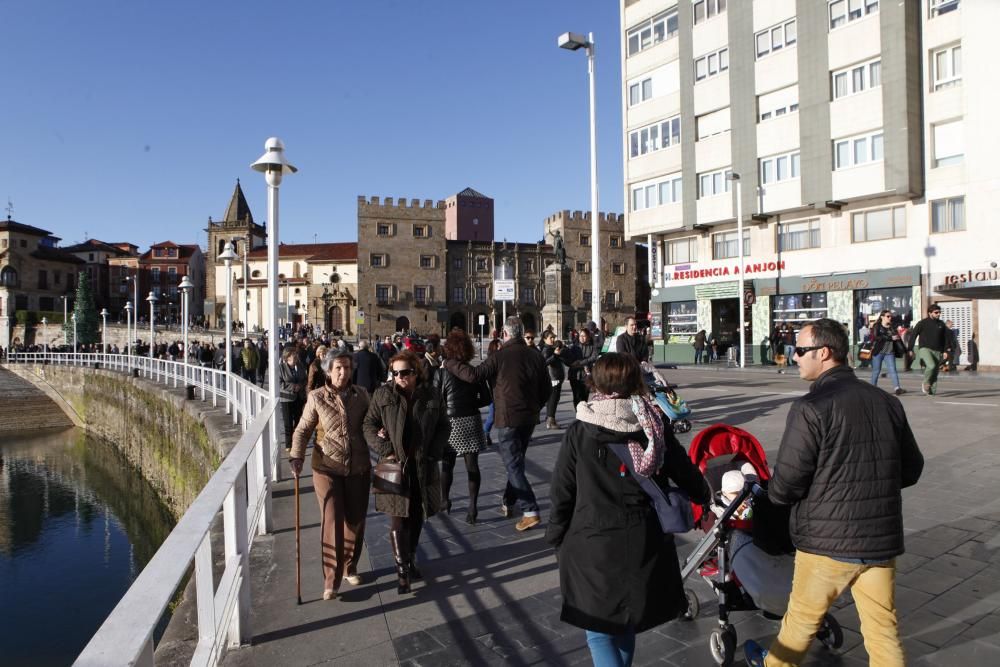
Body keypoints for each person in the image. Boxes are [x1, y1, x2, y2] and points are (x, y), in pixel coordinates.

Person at [743, 318, 924, 667]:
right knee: (883, 632)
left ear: (823, 353)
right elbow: (911, 468)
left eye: (799, 350)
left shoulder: (810, 408)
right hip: (879, 540)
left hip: (828, 543)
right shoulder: (887, 402)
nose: (793, 357)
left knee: (799, 625)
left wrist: (773, 496)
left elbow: (787, 484)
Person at [546, 353, 711, 667]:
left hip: (591, 539)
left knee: (599, 628)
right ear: (636, 382)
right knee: (625, 623)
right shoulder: (653, 424)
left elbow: (562, 491)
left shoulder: (581, 430)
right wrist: (705, 496)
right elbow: (685, 471)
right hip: (642, 537)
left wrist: (555, 533)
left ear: (595, 383)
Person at [442, 316, 551, 532]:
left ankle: (530, 510)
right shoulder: (536, 355)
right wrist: (535, 407)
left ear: (505, 333)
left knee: (513, 464)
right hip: (529, 418)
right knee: (517, 463)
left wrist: (450, 363)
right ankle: (509, 501)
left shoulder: (500, 356)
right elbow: (547, 389)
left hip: (508, 418)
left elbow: (473, 375)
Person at [363, 350, 449, 594]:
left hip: (422, 464)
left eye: (405, 372)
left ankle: (410, 557)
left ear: (416, 372)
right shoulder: (383, 394)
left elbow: (444, 425)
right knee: (397, 516)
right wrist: (385, 448)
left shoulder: (431, 394)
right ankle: (402, 570)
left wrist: (434, 451)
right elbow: (368, 425)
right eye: (395, 373)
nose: (400, 377)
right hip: (392, 464)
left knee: (416, 514)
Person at [289, 350, 371, 600]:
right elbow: (303, 430)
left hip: (358, 466)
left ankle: (350, 566)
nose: (343, 372)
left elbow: (372, 423)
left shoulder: (362, 395)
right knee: (332, 517)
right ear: (328, 370)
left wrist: (381, 435)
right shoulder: (316, 397)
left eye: (347, 367)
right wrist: (296, 456)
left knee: (355, 520)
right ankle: (331, 580)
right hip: (326, 466)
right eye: (338, 367)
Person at [434, 329, 490, 525]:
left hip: (449, 423)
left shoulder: (442, 372)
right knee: (472, 466)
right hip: (471, 420)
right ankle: (472, 508)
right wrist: (472, 405)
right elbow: (487, 398)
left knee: (447, 465)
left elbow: (435, 399)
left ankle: (444, 501)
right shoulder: (473, 372)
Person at [906, 303, 953, 395]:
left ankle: (931, 392)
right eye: (936, 312)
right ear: (930, 313)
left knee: (935, 372)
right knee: (931, 366)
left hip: (938, 351)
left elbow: (945, 338)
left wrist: (946, 350)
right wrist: (910, 349)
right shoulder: (922, 323)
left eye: (939, 312)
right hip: (925, 349)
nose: (938, 314)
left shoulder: (941, 324)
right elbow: (913, 335)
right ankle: (926, 382)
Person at [279, 346, 308, 454]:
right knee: (287, 422)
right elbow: (279, 383)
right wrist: (292, 387)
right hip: (286, 398)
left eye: (296, 356)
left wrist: (300, 385)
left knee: (298, 421)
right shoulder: (281, 368)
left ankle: (296, 441)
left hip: (299, 397)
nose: (296, 358)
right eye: (293, 356)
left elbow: (305, 379)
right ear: (287, 358)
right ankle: (288, 443)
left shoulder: (300, 366)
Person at [869, 311, 905, 395]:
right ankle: (872, 388)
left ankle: (897, 388)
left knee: (893, 370)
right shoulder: (877, 326)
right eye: (888, 316)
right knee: (876, 371)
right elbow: (876, 337)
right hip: (879, 352)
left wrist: (905, 350)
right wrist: (890, 337)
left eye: (890, 316)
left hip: (889, 352)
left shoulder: (892, 327)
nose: (890, 318)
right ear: (882, 317)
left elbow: (897, 338)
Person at [540, 331, 568, 429]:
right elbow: (544, 363)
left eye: (553, 337)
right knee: (553, 399)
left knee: (554, 399)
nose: (553, 339)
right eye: (550, 338)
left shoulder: (551, 348)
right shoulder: (546, 350)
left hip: (556, 377)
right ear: (545, 339)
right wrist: (555, 355)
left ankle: (550, 418)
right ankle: (550, 421)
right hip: (553, 378)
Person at [568, 328, 599, 409]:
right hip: (575, 375)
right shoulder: (574, 347)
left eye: (584, 336)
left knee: (584, 397)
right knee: (577, 396)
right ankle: (578, 414)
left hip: (587, 375)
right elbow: (572, 360)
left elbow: (594, 357)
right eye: (580, 336)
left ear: (588, 337)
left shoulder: (592, 347)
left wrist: (581, 363)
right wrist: (583, 363)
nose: (582, 338)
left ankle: (583, 415)